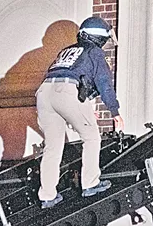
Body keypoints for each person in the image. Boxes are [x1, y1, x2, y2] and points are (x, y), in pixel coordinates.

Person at [36, 16, 123, 209]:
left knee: (53, 147)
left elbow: (71, 76)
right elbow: (104, 84)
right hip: (67, 92)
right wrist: (115, 112)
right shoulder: (95, 52)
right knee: (92, 138)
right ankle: (90, 183)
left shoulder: (67, 50)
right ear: (99, 38)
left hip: (44, 93)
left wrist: (82, 106)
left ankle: (48, 195)